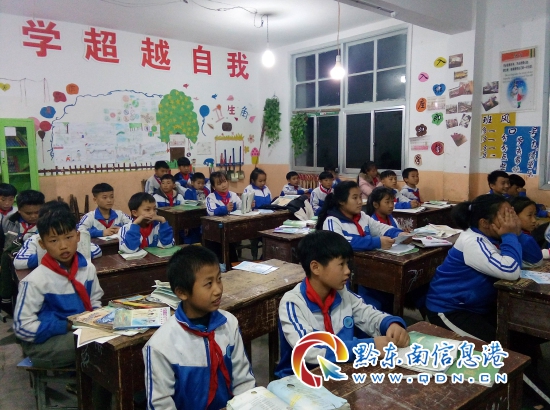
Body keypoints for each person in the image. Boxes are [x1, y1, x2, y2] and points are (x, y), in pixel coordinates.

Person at [275, 230, 409, 378]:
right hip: (300, 379)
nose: (347, 271)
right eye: (341, 264)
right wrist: (369, 347)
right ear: (316, 268)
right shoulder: (293, 303)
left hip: (340, 370)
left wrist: (390, 324)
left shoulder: (341, 293)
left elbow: (367, 313)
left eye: (347, 264)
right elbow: (309, 349)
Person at [143, 246, 255, 409]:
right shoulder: (160, 346)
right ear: (182, 292)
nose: (218, 290)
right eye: (208, 284)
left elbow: (243, 382)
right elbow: (160, 404)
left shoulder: (229, 324)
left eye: (219, 279)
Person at [13, 208, 103, 368]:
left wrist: (96, 320)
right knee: (94, 347)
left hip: (79, 329)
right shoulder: (35, 280)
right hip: (43, 341)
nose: (63, 246)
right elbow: (22, 328)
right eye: (54, 241)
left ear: (78, 237)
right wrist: (65, 325)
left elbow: (95, 301)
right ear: (42, 244)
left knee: (105, 341)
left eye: (68, 237)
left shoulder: (87, 269)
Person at [425, 194, 522, 341]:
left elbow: (533, 260)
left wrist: (517, 233)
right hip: (449, 309)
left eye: (511, 214)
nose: (511, 221)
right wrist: (510, 235)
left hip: (477, 306)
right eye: (505, 216)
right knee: (498, 345)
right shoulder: (473, 241)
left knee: (519, 336)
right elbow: (511, 270)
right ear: (484, 223)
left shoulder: (494, 236)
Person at [317, 181, 406, 251]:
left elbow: (380, 228)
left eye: (360, 197)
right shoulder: (332, 221)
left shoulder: (362, 216)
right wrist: (376, 242)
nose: (360, 202)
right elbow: (339, 243)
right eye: (355, 198)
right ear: (341, 201)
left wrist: (399, 234)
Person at [15, 200, 102, 270]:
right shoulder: (34, 239)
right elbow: (18, 262)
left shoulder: (75, 235)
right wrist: (50, 255)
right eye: (53, 240)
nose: (63, 246)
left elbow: (97, 250)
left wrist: (74, 254)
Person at [0, 190, 45, 314]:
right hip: (11, 262)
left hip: (35, 261)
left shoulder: (46, 223)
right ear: (19, 210)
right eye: (28, 213)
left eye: (37, 212)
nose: (33, 216)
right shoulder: (8, 221)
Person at [509, 196, 543, 267]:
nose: (534, 220)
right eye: (529, 215)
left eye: (535, 214)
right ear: (514, 216)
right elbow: (538, 262)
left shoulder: (526, 233)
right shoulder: (515, 238)